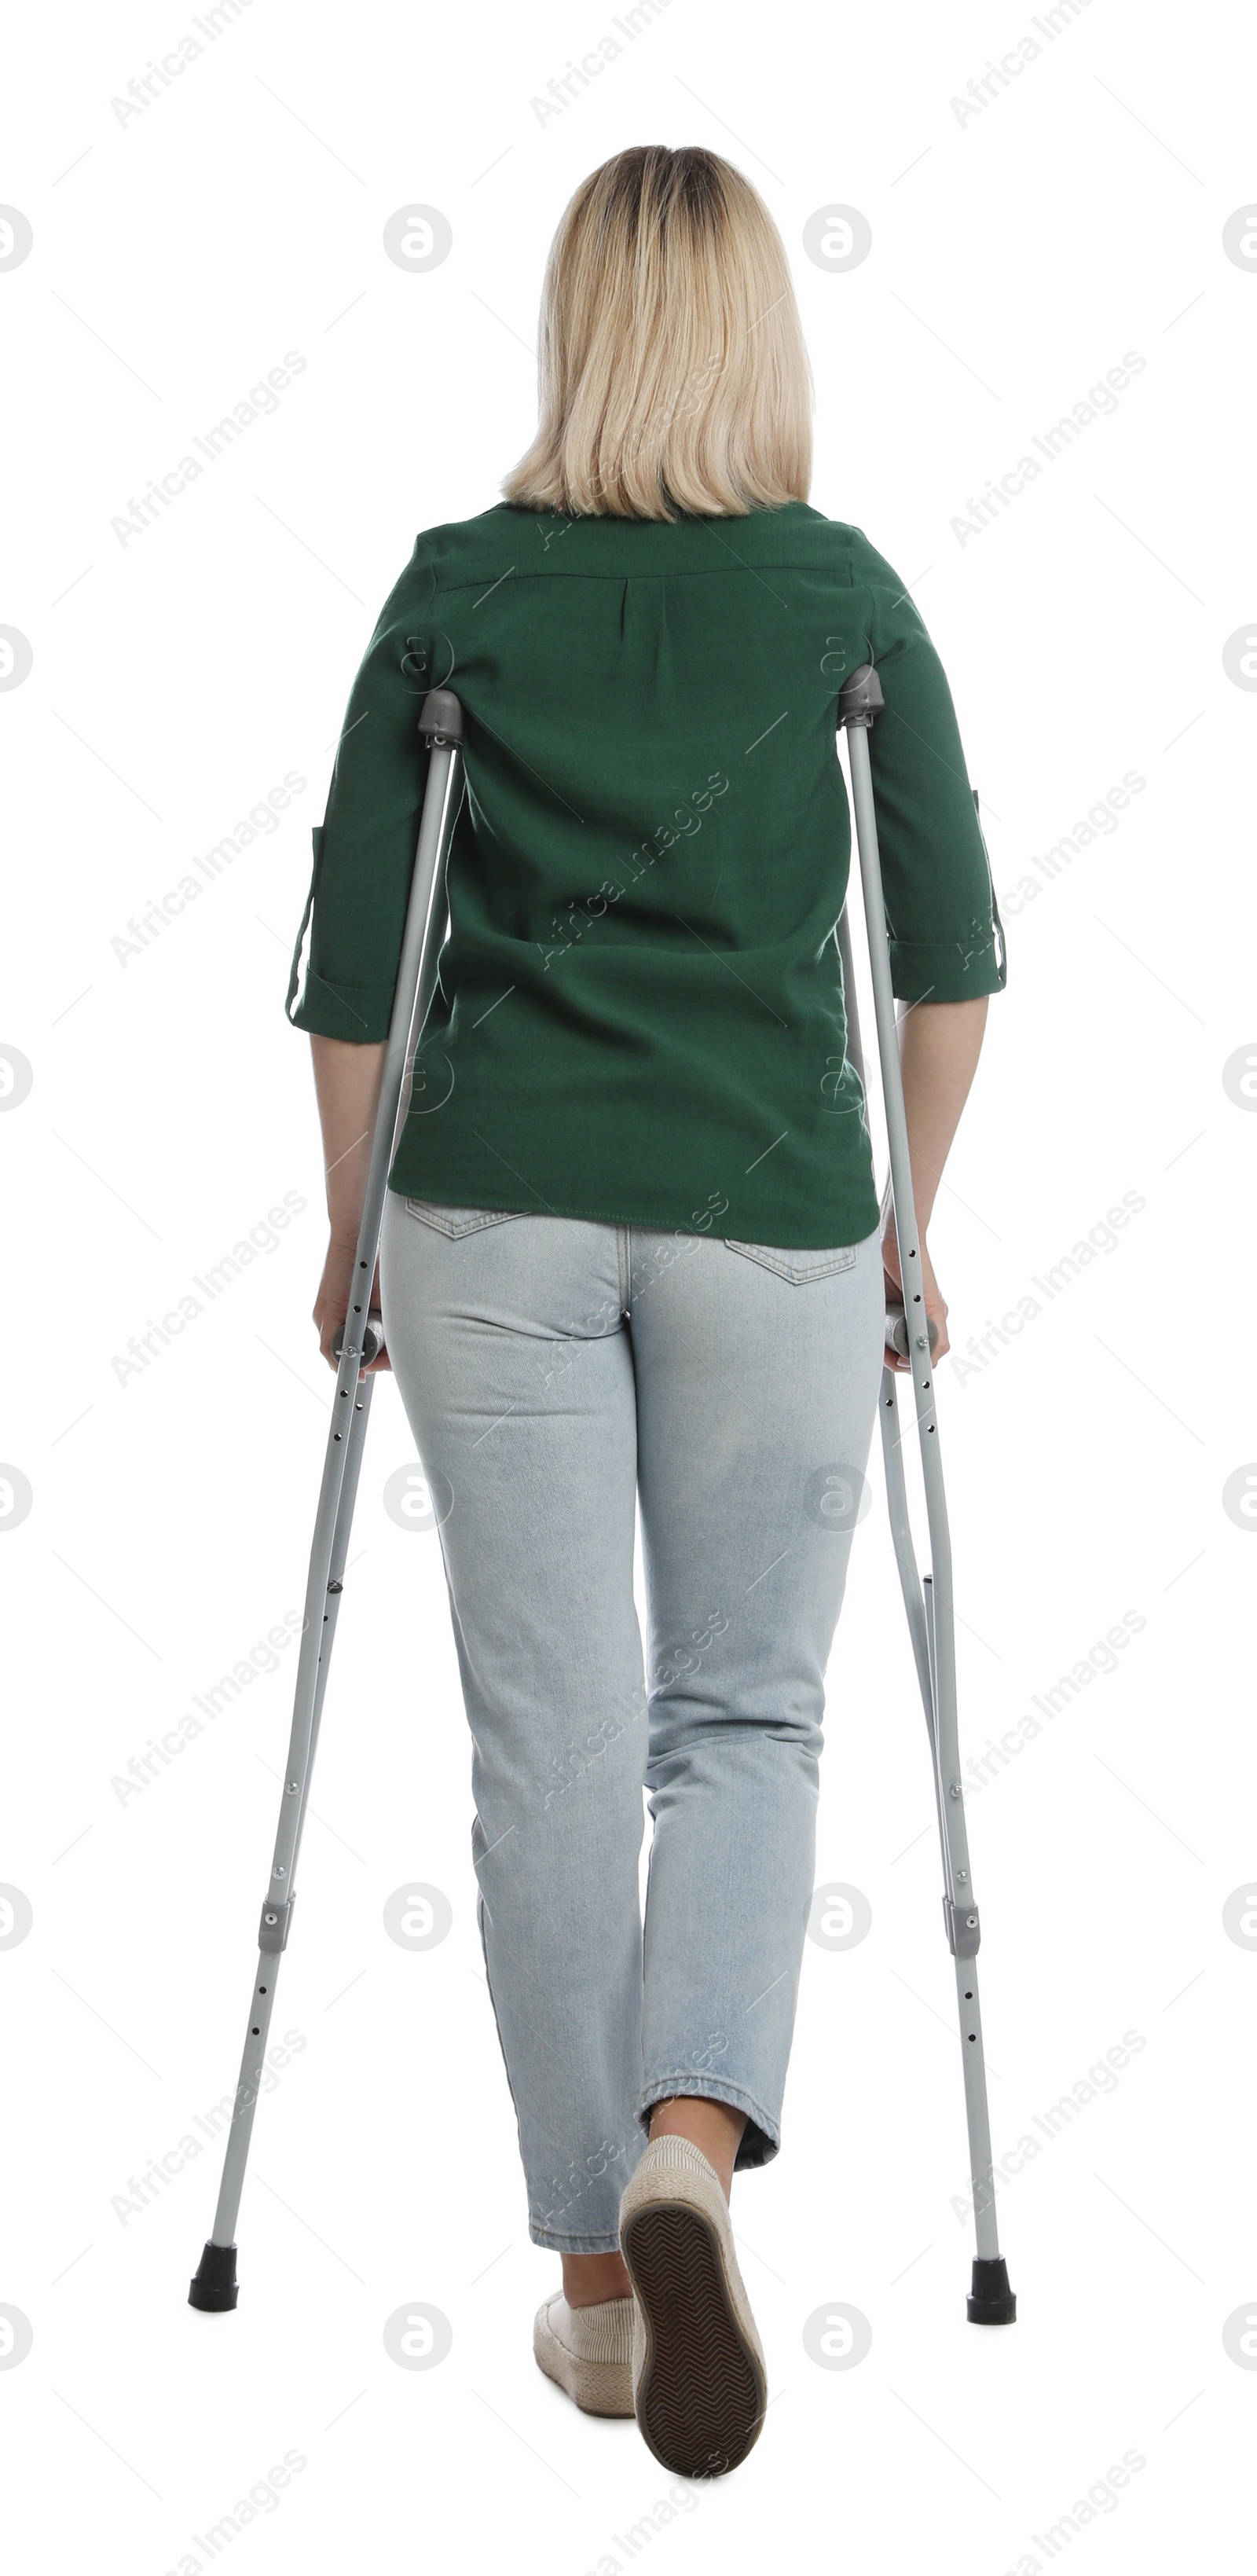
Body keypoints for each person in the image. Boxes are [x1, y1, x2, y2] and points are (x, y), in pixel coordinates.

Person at [285, 142, 1006, 2479]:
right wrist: (915, 1217)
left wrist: (341, 1220)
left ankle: (601, 2284)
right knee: (744, 1717)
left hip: (484, 1217)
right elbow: (951, 951)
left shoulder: (458, 589)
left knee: (551, 1744)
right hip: (775, 1212)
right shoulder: (846, 598)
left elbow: (345, 961)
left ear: (575, 326)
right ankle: (694, 2143)